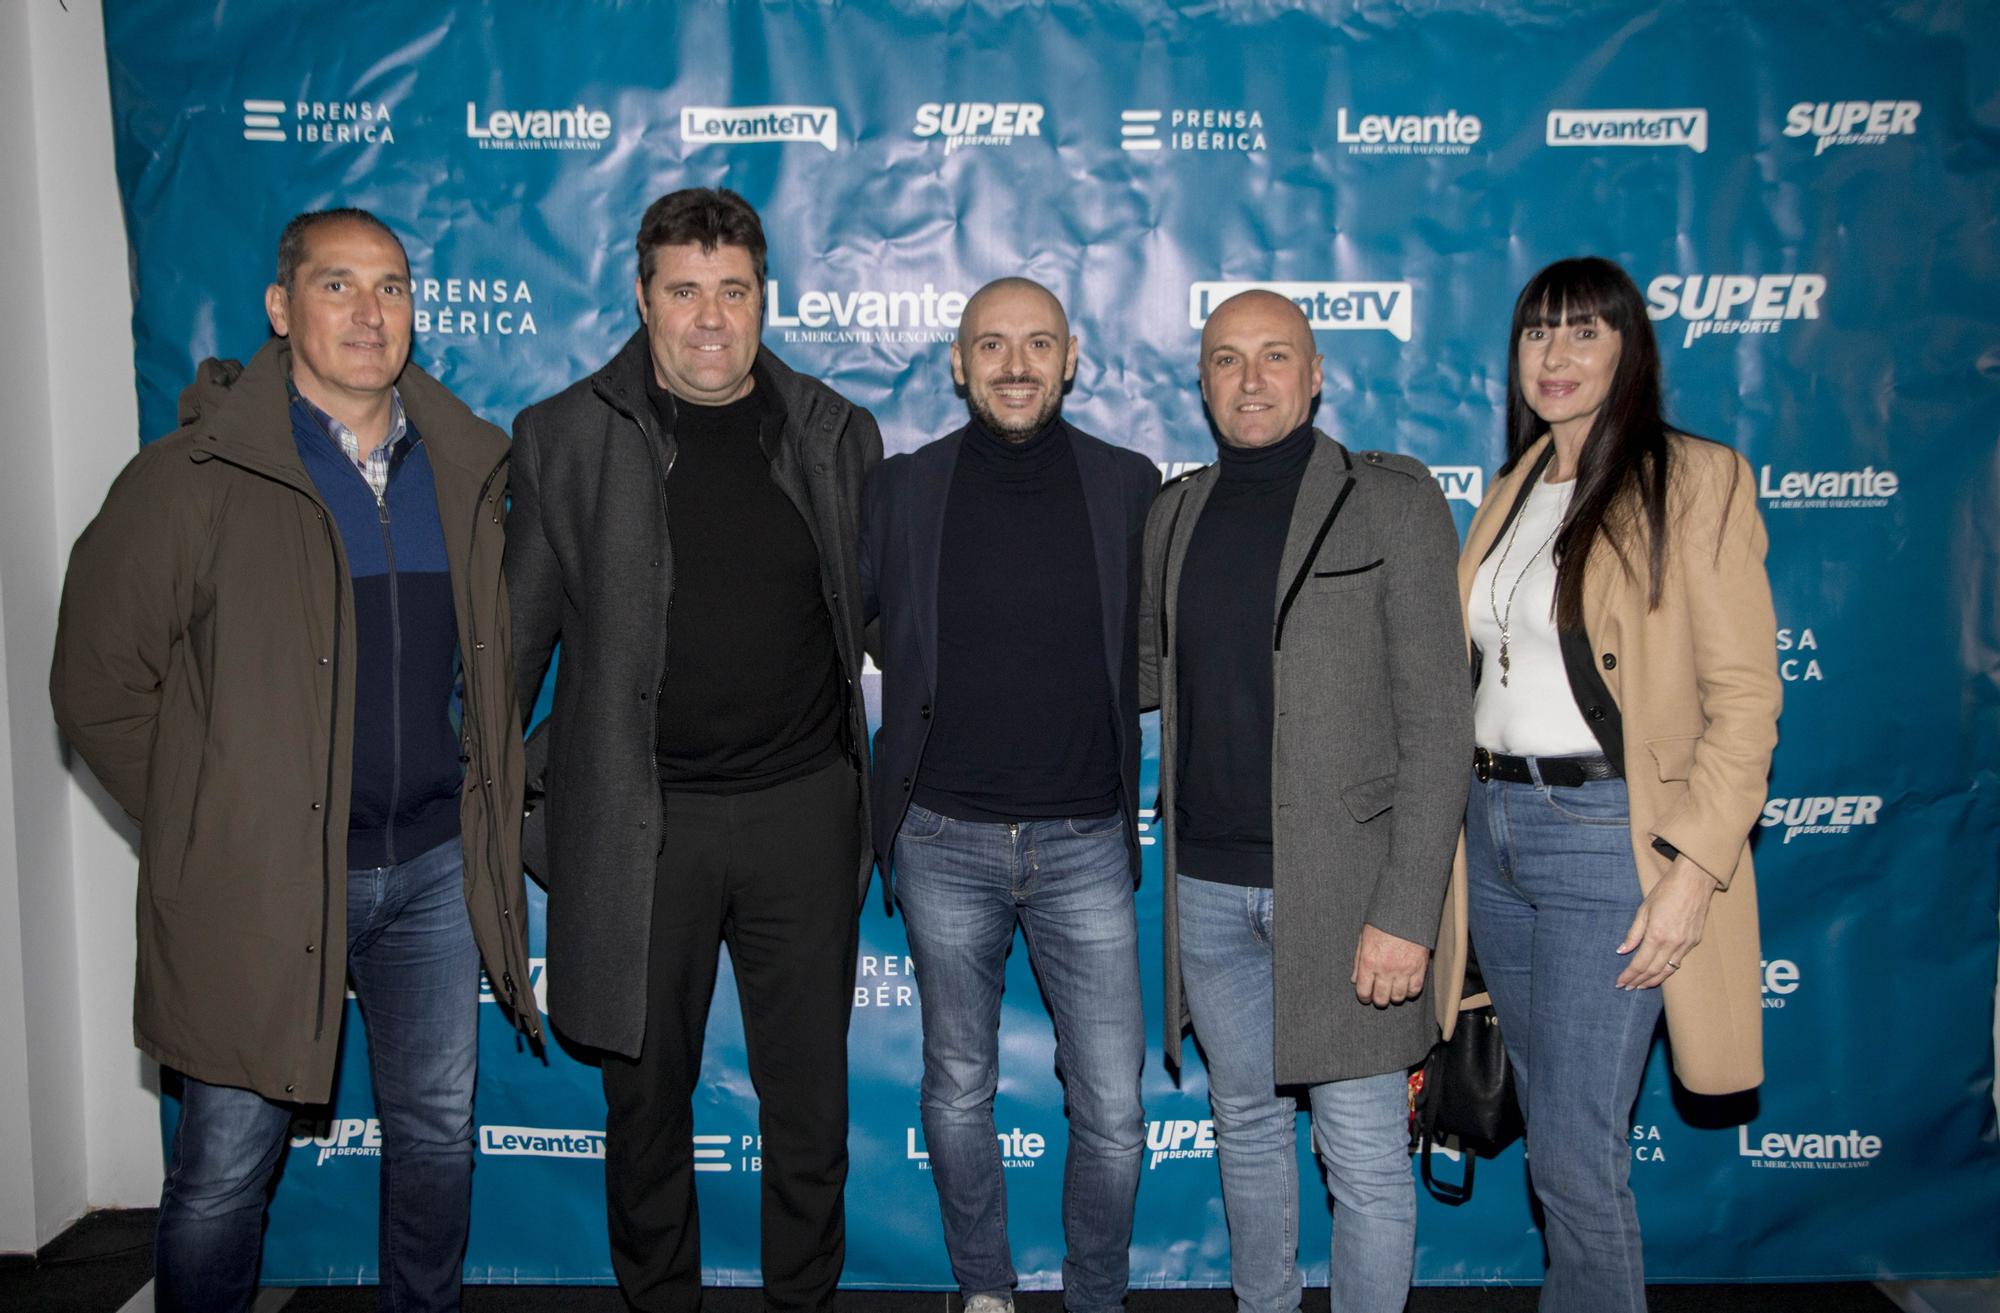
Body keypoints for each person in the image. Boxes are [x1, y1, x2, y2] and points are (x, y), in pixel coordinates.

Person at [51, 208, 536, 1313]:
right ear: (282, 308)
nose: (369, 312)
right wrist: (209, 816)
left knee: (436, 1136)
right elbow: (95, 684)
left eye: (391, 287)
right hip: (258, 888)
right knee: (224, 1168)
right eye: (337, 284)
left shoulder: (462, 468)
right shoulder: (193, 477)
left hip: (428, 876)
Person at [505, 187, 880, 1313]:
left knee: (808, 1103)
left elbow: (888, 618)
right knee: (645, 1103)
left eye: (732, 289)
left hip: (801, 813)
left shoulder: (832, 430)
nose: (709, 316)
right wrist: (491, 802)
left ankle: (801, 1297)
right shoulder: (565, 437)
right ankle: (658, 1297)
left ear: (765, 296)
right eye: (684, 291)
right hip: (638, 823)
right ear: (642, 296)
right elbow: (514, 647)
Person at [1435, 256, 1779, 1312]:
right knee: (1555, 1140)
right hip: (1489, 833)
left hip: (1604, 839)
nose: (1555, 353)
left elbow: (1744, 698)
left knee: (1577, 1152)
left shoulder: (1692, 478)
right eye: (1537, 332)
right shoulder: (1508, 492)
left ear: (1629, 349)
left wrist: (1686, 869)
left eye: (1584, 331)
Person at [1138, 290, 1470, 1313]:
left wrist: (1405, 913)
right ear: (1200, 381)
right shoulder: (1174, 511)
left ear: (1316, 372)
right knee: (1242, 1126)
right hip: (1207, 887)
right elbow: (1140, 677)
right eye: (1226, 358)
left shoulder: (1391, 501)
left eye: (1273, 356)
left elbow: (1438, 720)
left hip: (1346, 895)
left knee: (1364, 1155)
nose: (1249, 379)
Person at [859, 277, 1158, 1313]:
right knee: (954, 1087)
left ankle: (1096, 1292)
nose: (1015, 364)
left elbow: (1155, 643)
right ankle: (983, 1286)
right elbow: (863, 626)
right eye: (991, 344)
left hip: (1084, 837)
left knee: (1115, 1108)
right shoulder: (900, 489)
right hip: (942, 838)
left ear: (1070, 358)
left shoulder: (1130, 484)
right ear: (956, 362)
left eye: (1036, 343)